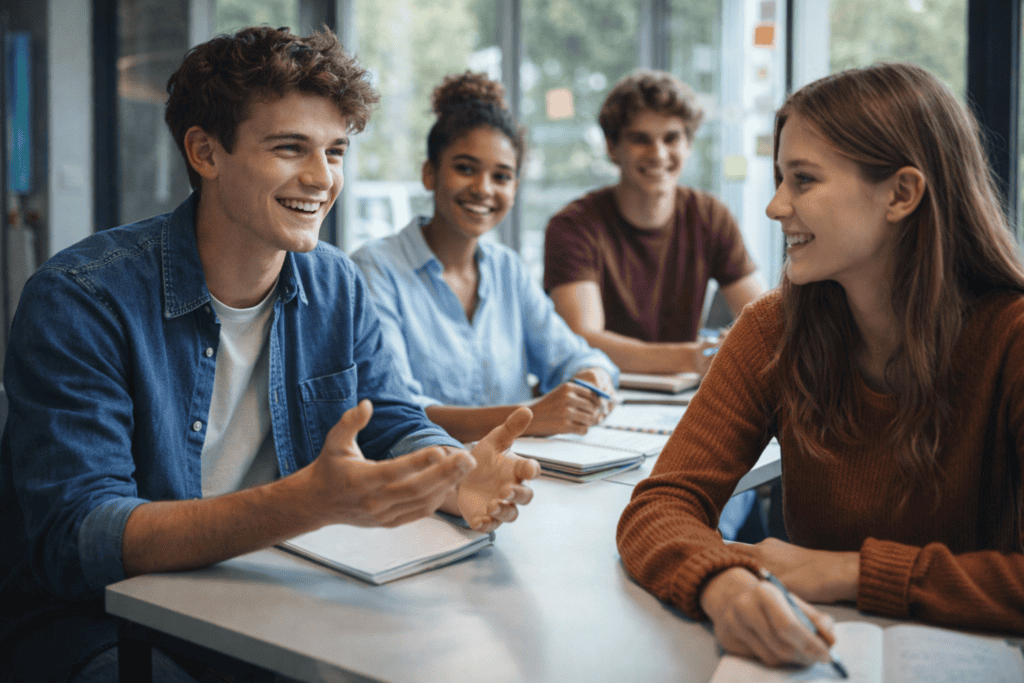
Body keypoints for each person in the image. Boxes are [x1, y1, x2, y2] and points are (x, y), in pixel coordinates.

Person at [0, 27, 540, 683]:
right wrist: (305, 502)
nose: (321, 178)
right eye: (290, 148)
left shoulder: (336, 284)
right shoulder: (81, 299)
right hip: (102, 624)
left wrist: (454, 474)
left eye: (336, 151)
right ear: (205, 151)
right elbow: (79, 539)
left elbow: (394, 418)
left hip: (270, 594)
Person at [617, 61, 1024, 670]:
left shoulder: (1011, 339)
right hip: (817, 659)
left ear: (902, 194)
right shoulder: (771, 330)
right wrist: (722, 584)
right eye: (780, 178)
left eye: (803, 180)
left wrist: (851, 572)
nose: (775, 206)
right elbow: (660, 504)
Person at [351, 71, 619, 443]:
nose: (483, 189)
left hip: (526, 473)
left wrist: (592, 376)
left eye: (502, 176)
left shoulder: (507, 268)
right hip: (431, 482)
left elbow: (575, 357)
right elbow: (398, 413)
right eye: (465, 169)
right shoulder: (374, 270)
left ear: (515, 187)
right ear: (430, 174)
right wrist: (529, 416)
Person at [544, 69, 763, 377]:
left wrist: (734, 346)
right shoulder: (574, 226)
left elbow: (763, 321)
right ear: (611, 147)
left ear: (688, 145)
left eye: (672, 138)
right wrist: (695, 357)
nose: (658, 154)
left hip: (678, 396)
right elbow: (584, 339)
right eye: (640, 139)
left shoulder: (710, 215)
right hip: (597, 393)